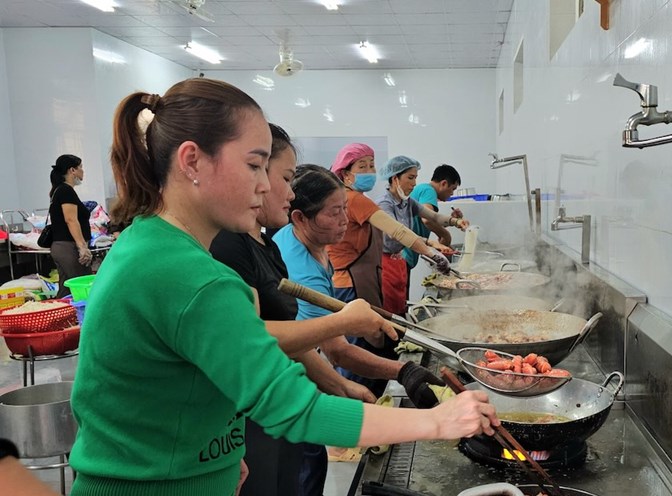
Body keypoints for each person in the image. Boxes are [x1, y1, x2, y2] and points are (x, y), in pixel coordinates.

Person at [68, 78, 498, 496]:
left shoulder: (147, 242)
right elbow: (296, 408)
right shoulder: (191, 275)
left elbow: (154, 386)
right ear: (192, 161)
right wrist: (441, 421)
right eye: (254, 165)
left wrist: (216, 451)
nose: (267, 185)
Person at [211, 124, 431, 496]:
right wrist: (429, 413)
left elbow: (293, 345)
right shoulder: (226, 248)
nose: (284, 191)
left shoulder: (268, 245)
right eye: (281, 177)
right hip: (256, 414)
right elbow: (255, 340)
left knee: (302, 472)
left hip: (284, 399)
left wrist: (339, 385)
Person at [272, 163, 447, 496]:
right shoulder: (302, 271)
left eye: (344, 210)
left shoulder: (310, 243)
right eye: (334, 213)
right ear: (300, 218)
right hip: (283, 383)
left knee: (309, 458)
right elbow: (336, 349)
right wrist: (404, 371)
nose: (344, 220)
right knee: (306, 464)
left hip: (297, 370)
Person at [326, 143, 452, 394]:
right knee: (361, 349)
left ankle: (367, 399)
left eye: (372, 165)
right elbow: (396, 230)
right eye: (362, 166)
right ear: (345, 173)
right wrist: (430, 251)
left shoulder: (351, 197)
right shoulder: (355, 200)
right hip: (353, 284)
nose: (370, 171)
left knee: (370, 343)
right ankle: (360, 405)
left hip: (359, 281)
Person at [377, 156, 468, 316]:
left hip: (399, 261)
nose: (414, 184)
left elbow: (433, 216)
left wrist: (456, 221)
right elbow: (397, 233)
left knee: (401, 306)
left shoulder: (407, 202)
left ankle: (399, 336)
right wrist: (431, 243)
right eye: (410, 178)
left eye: (415, 178)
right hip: (386, 263)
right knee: (390, 312)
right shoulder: (385, 204)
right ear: (395, 178)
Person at [402, 163, 468, 271]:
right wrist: (445, 235)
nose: (452, 193)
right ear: (444, 183)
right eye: (452, 189)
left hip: (404, 255)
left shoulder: (423, 189)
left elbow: (429, 219)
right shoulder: (429, 191)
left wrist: (452, 222)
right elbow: (427, 220)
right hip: (403, 255)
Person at [48, 154, 92, 298]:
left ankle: (59, 318)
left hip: (61, 247)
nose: (83, 171)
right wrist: (82, 247)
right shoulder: (66, 191)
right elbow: (71, 220)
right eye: (81, 167)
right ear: (72, 170)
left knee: (66, 290)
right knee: (83, 287)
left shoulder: (59, 190)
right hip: (68, 247)